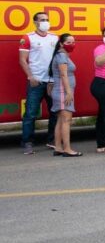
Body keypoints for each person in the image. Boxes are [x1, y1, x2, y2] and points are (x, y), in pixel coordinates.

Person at [19, 11, 59, 154]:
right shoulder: (28, 37)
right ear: (35, 22)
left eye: (47, 19)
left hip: (51, 82)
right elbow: (22, 60)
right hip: (36, 82)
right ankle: (27, 142)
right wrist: (31, 77)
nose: (45, 22)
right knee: (30, 114)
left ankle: (52, 140)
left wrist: (55, 79)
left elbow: (59, 59)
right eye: (42, 20)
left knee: (54, 112)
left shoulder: (55, 37)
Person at [49, 33, 81, 157]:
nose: (72, 45)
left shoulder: (60, 55)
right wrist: (68, 92)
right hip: (63, 92)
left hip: (60, 91)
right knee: (67, 120)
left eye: (73, 42)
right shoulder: (62, 56)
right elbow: (63, 75)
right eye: (68, 42)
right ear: (61, 43)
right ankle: (67, 149)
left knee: (60, 120)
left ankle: (58, 147)